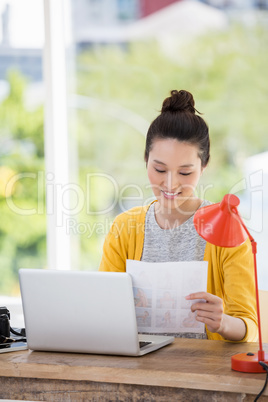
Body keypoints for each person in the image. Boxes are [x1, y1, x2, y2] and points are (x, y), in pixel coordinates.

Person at [99, 89, 257, 343]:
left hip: (203, 372)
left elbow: (248, 324)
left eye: (185, 173)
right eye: (160, 169)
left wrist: (223, 322)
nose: (170, 184)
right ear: (146, 160)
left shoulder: (228, 228)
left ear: (203, 166)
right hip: (135, 367)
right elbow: (102, 307)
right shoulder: (124, 227)